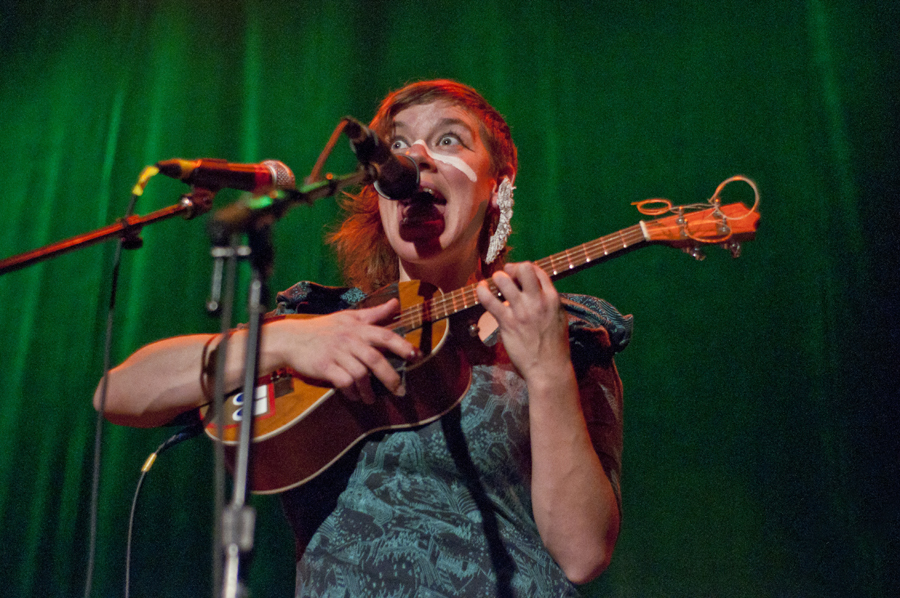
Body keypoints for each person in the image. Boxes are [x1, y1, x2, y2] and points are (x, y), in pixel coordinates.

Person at [95, 79, 633, 597]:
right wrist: (282, 343)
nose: (416, 158)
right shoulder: (322, 320)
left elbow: (583, 554)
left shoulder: (562, 332)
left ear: (500, 183)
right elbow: (117, 393)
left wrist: (547, 372)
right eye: (397, 146)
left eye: (449, 140)